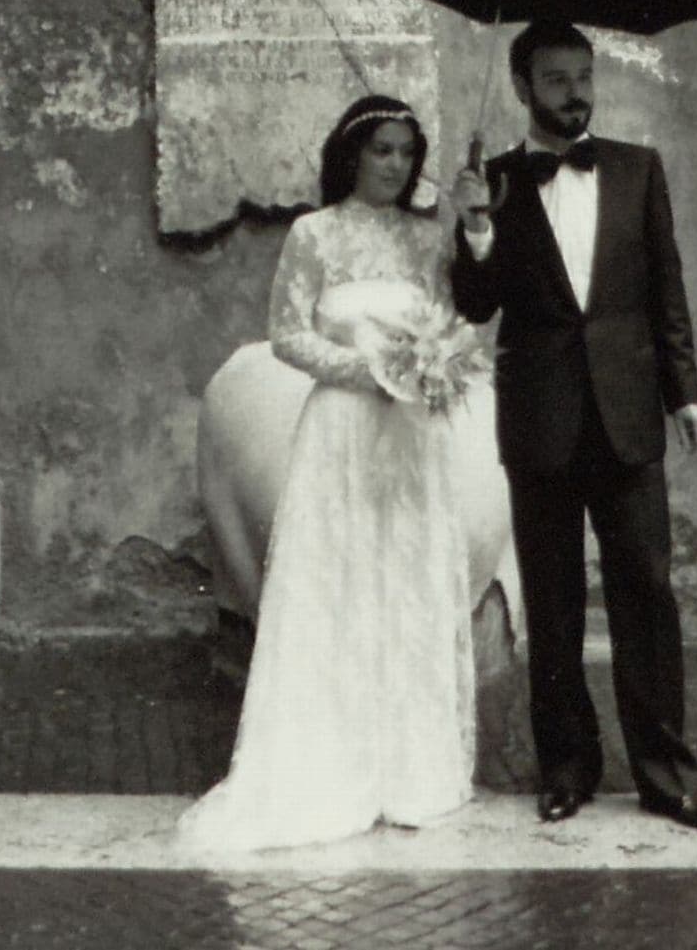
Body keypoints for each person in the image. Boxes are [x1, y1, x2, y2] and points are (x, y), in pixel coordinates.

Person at [178, 96, 483, 852]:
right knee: (340, 580)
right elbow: (287, 335)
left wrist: (433, 356)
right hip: (342, 429)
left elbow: (455, 321)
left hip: (411, 437)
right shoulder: (315, 234)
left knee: (404, 579)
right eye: (382, 149)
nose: (396, 164)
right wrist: (368, 367)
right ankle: (331, 754)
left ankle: (409, 765)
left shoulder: (424, 239)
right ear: (351, 154)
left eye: (408, 152)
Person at [452, 22, 697, 832]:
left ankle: (667, 774)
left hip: (630, 416)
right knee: (556, 603)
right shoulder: (492, 178)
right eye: (556, 78)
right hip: (540, 420)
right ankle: (565, 765)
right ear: (523, 87)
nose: (575, 91)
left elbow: (665, 293)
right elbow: (475, 303)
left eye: (583, 75)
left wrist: (687, 395)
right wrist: (474, 229)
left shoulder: (640, 170)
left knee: (647, 592)